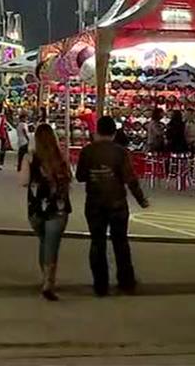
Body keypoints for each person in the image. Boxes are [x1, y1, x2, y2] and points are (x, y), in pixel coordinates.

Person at [76, 115, 149, 297]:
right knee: (121, 242)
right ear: (114, 133)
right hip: (117, 203)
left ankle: (100, 284)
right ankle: (126, 281)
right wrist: (141, 199)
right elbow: (130, 178)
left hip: (94, 203)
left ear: (97, 131)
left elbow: (80, 176)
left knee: (97, 242)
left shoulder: (87, 151)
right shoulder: (120, 152)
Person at [20, 122, 71, 300]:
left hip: (36, 209)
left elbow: (24, 181)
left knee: (44, 241)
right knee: (52, 244)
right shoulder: (60, 157)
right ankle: (49, 280)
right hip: (58, 207)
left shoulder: (30, 158)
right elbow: (69, 178)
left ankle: (45, 277)